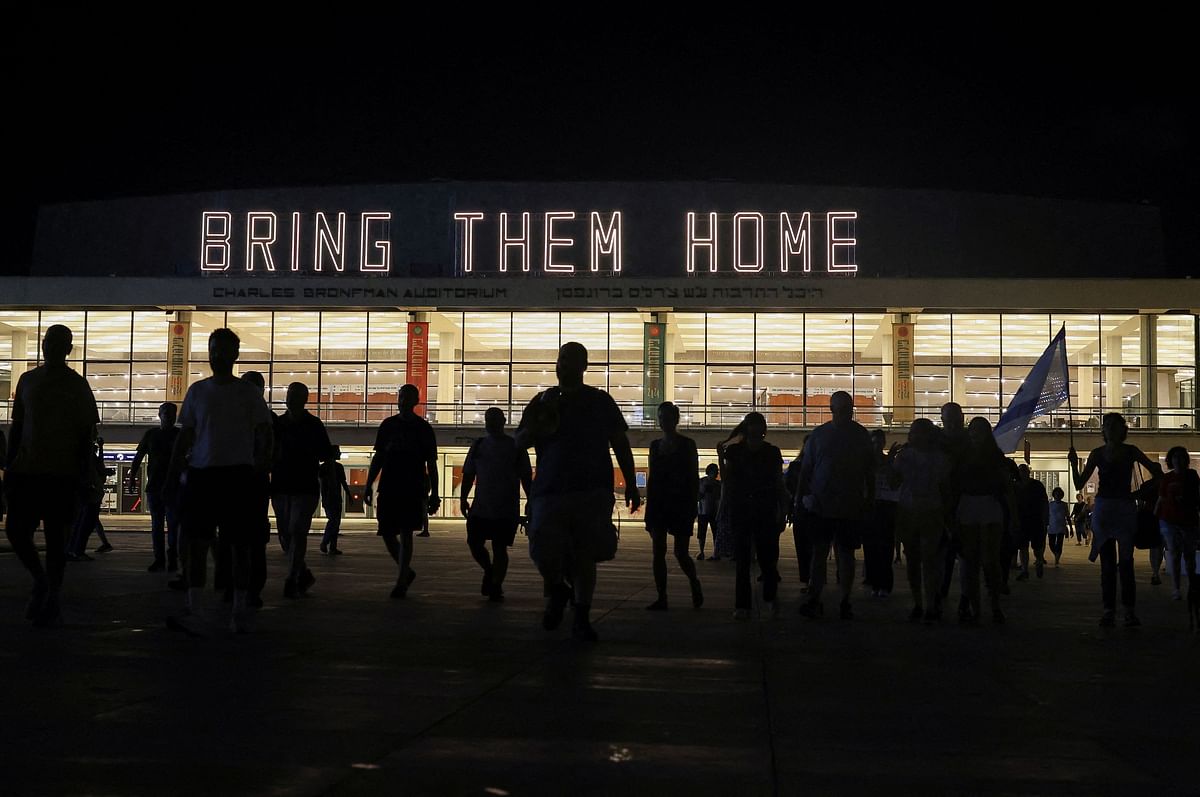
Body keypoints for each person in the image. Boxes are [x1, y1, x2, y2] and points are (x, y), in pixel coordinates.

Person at [516, 342, 640, 642]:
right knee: (541, 547)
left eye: (570, 361)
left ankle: (581, 616)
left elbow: (620, 442)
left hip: (590, 488)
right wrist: (539, 425)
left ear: (584, 366)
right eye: (560, 360)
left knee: (584, 555)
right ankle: (558, 589)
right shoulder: (542, 401)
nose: (563, 366)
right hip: (550, 487)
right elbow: (519, 442)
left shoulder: (599, 401)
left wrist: (631, 483)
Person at [165, 328, 274, 635]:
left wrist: (262, 466)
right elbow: (185, 435)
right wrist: (174, 471)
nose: (217, 356)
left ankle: (235, 609)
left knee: (239, 547)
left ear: (234, 355)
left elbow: (265, 433)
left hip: (237, 475)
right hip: (205, 474)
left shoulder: (247, 394)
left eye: (223, 350)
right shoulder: (198, 391)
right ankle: (198, 608)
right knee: (198, 545)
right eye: (214, 350)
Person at [3, 324, 99, 627]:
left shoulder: (77, 385)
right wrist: (10, 464)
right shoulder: (29, 380)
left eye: (58, 342)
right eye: (48, 341)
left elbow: (87, 436)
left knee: (56, 540)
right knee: (17, 532)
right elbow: (18, 426)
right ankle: (43, 581)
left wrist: (85, 473)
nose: (51, 346)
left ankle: (51, 591)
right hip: (30, 470)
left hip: (61, 473)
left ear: (67, 348)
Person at [1069, 412, 1162, 628]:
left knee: (1125, 563)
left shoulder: (1122, 452)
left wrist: (1137, 494)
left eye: (1114, 425)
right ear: (1104, 430)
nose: (1110, 429)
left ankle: (1122, 610)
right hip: (1111, 507)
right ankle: (1112, 610)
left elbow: (1157, 473)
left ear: (1122, 429)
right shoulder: (1105, 453)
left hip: (1118, 507)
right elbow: (1078, 483)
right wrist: (1074, 465)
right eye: (1108, 425)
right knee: (1109, 563)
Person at [796, 391, 875, 620]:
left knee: (836, 554)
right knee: (832, 553)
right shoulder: (857, 436)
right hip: (833, 505)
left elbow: (807, 471)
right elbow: (806, 471)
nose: (844, 413)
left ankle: (834, 598)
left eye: (846, 409)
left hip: (838, 505)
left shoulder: (822, 436)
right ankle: (836, 598)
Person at [365, 384, 439, 599]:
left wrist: (434, 493)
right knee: (387, 532)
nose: (402, 401)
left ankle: (401, 581)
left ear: (415, 401)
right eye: (400, 397)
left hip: (412, 486)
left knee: (406, 532)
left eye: (407, 397)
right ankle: (405, 570)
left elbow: (432, 464)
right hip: (389, 485)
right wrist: (369, 483)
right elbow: (378, 457)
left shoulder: (423, 429)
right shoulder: (388, 425)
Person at [460, 407, 532, 602]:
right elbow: (468, 474)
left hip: (505, 507)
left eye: (494, 419)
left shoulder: (515, 446)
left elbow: (526, 477)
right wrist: (463, 497)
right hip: (483, 505)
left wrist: (531, 500)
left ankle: (495, 584)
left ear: (503, 421)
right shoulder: (479, 445)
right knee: (475, 543)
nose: (490, 423)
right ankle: (491, 573)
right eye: (488, 419)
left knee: (499, 547)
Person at [271, 382, 333, 598]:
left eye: (295, 395)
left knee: (296, 530)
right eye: (289, 394)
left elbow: (324, 452)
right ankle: (301, 571)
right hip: (283, 485)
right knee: (286, 535)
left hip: (303, 486)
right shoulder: (279, 424)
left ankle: (292, 577)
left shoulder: (311, 424)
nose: (291, 398)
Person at [721, 412, 785, 618]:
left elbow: (728, 481)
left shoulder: (736, 451)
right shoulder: (771, 452)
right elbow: (777, 483)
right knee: (762, 559)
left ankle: (745, 605)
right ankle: (768, 600)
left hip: (748, 508)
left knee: (748, 560)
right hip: (759, 508)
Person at [643, 402, 703, 611]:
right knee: (658, 551)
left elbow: (693, 477)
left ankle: (694, 582)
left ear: (676, 419)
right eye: (661, 418)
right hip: (659, 502)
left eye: (667, 417)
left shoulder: (688, 444)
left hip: (680, 502)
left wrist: (693, 503)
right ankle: (662, 596)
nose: (664, 422)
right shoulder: (654, 445)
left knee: (680, 552)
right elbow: (653, 478)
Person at [891, 419, 951, 623]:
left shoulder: (907, 457)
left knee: (921, 560)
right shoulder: (938, 458)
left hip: (916, 509)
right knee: (923, 560)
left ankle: (923, 603)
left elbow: (894, 482)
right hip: (925, 508)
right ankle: (926, 603)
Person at [954, 417, 1012, 624]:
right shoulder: (974, 455)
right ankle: (978, 606)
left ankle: (991, 605)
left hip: (986, 502)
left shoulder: (991, 456)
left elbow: (1005, 485)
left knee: (989, 559)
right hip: (972, 503)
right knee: (972, 560)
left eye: (979, 430)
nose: (975, 434)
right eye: (973, 430)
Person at [128, 402, 182, 572]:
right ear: (159, 415)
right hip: (156, 486)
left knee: (172, 525)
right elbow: (138, 457)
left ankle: (171, 558)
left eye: (171, 414)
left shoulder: (179, 435)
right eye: (166, 413)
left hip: (173, 486)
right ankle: (161, 559)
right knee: (159, 525)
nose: (168, 416)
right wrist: (132, 478)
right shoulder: (151, 434)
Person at [240, 371, 272, 608]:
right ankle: (245, 586)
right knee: (245, 539)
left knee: (251, 539)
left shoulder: (264, 419)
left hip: (252, 482)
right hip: (247, 481)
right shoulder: (265, 418)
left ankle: (249, 587)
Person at [1155, 446, 1198, 604]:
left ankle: (1190, 587)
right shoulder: (1167, 478)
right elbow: (1161, 498)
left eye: (1180, 458)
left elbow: (1196, 495)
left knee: (1189, 555)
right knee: (1174, 553)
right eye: (1175, 458)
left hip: (1188, 520)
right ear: (1171, 460)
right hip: (1170, 519)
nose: (1178, 461)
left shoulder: (1192, 476)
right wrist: (1155, 516)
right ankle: (1176, 588)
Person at [937, 402, 968, 607]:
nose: (952, 425)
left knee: (967, 555)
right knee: (940, 554)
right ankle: (940, 592)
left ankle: (965, 599)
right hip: (939, 504)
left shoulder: (970, 441)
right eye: (949, 421)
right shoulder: (936, 442)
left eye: (955, 420)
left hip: (965, 501)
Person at [864, 428, 898, 599]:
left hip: (885, 506)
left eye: (880, 441)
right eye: (874, 441)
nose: (877, 445)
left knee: (885, 547)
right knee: (871, 548)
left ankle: (883, 583)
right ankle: (875, 582)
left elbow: (894, 483)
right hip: (871, 507)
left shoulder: (888, 462)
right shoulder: (866, 463)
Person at [66, 438, 111, 560]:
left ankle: (73, 549)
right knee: (86, 522)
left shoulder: (82, 459)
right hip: (90, 492)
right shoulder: (89, 460)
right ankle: (77, 550)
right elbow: (100, 466)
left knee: (82, 521)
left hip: (87, 491)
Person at [1014, 464, 1049, 581]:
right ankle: (1026, 569)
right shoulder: (1020, 486)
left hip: (1033, 519)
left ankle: (1037, 562)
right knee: (1024, 546)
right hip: (1027, 520)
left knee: (1034, 546)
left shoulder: (1023, 486)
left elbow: (1044, 503)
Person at [319, 445, 351, 555]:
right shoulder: (337, 467)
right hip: (333, 498)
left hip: (330, 498)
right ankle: (326, 542)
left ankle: (332, 546)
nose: (340, 454)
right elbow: (343, 483)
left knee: (335, 522)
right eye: (338, 451)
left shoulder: (324, 467)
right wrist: (349, 495)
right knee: (334, 521)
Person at [695, 464, 721, 561]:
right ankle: (702, 551)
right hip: (703, 510)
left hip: (713, 510)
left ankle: (715, 552)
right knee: (702, 533)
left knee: (715, 532)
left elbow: (719, 497)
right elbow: (697, 496)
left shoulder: (718, 484)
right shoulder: (702, 482)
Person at [1047, 487, 1069, 567]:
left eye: (1059, 494)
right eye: (1056, 494)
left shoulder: (1064, 505)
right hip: (1052, 526)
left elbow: (1067, 516)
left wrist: (1069, 527)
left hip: (1061, 526)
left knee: (1059, 544)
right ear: (1054, 495)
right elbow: (1047, 515)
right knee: (1051, 544)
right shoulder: (1050, 504)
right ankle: (1056, 554)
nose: (1057, 495)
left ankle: (1057, 560)